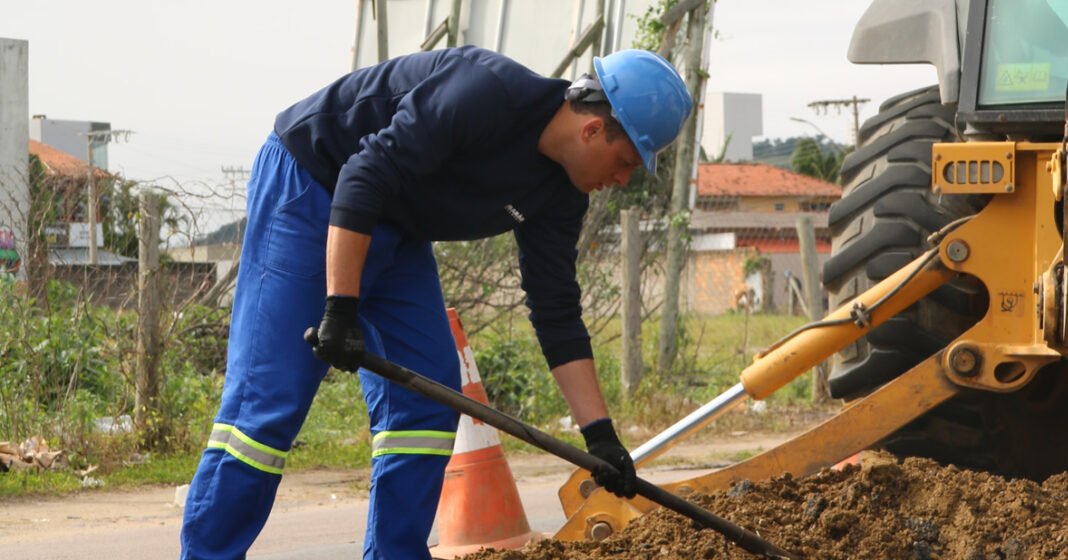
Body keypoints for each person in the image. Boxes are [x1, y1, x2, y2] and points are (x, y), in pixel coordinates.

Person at [179, 45, 692, 560]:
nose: (622, 179)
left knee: (428, 400)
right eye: (626, 161)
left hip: (398, 225)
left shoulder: (562, 196)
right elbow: (362, 177)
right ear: (592, 129)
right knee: (267, 407)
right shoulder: (483, 94)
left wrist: (600, 438)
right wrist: (340, 308)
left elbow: (556, 309)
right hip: (315, 185)